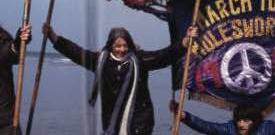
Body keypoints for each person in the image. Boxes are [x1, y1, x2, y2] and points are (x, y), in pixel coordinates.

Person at [43, 23, 196, 135]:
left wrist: (185, 42)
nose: (122, 49)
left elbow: (163, 56)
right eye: (118, 46)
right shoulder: (100, 61)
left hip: (140, 122)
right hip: (112, 122)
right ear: (111, 46)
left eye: (125, 45)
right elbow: (76, 53)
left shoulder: (140, 60)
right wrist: (53, 37)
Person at [170, 100, 275, 135]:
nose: (241, 124)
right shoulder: (230, 129)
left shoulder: (267, 128)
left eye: (246, 120)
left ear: (254, 121)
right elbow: (207, 127)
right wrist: (184, 116)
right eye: (239, 120)